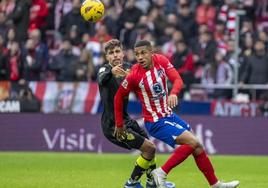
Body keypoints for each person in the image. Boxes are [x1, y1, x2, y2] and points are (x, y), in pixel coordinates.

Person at [114, 40, 240, 188]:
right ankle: (161, 172)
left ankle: (215, 184)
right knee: (193, 142)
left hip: (169, 115)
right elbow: (118, 97)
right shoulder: (134, 75)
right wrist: (119, 124)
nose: (140, 57)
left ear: (151, 52)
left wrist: (173, 93)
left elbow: (178, 80)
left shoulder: (161, 60)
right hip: (155, 121)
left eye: (143, 53)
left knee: (197, 147)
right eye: (137, 54)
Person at [98, 39, 174, 188]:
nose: (115, 55)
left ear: (123, 53)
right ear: (107, 57)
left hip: (126, 120)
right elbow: (101, 79)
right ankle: (132, 183)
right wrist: (110, 72)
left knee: (150, 148)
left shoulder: (130, 69)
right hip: (112, 125)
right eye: (111, 53)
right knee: (149, 148)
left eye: (117, 51)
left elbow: (146, 76)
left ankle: (152, 182)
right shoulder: (104, 70)